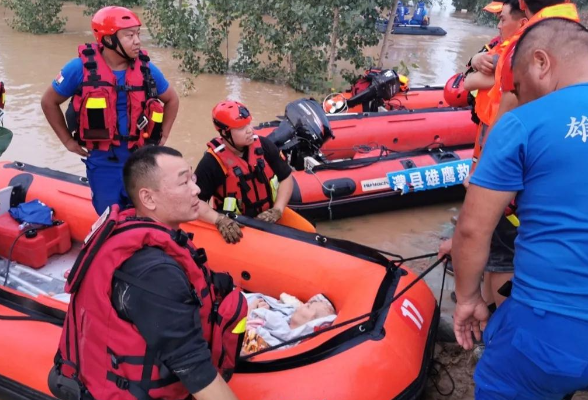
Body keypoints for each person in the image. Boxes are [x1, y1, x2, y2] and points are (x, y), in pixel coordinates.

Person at [452, 19, 588, 398]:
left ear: (541, 62)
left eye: (522, 90)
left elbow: (472, 229)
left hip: (549, 329)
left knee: (508, 377)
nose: (523, 101)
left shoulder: (524, 124)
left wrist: (467, 299)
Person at [49, 146, 245, 400]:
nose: (196, 190)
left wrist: (219, 219)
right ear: (149, 199)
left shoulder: (139, 228)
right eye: (184, 182)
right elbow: (195, 370)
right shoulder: (155, 274)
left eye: (193, 179)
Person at [41, 6, 179, 215]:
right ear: (107, 39)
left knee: (144, 213)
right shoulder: (78, 69)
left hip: (141, 158)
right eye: (129, 35)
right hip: (103, 159)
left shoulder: (146, 69)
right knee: (108, 214)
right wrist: (68, 141)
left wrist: (164, 134)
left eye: (138, 34)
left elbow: (172, 100)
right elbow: (49, 101)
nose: (137, 41)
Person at [439, 0, 527, 309]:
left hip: (499, 162)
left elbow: (473, 84)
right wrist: (476, 60)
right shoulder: (498, 48)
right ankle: (483, 311)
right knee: (492, 247)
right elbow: (463, 83)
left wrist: (478, 70)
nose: (498, 25)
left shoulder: (520, 53)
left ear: (522, 17)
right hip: (486, 153)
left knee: (501, 253)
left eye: (502, 19)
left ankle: (488, 319)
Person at [195, 100, 312, 244]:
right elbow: (195, 202)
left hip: (269, 214)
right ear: (225, 132)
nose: (250, 130)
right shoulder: (211, 163)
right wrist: (219, 219)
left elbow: (286, 177)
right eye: (241, 128)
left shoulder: (264, 146)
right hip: (236, 223)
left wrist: (277, 210)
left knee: (309, 232)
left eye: (249, 124)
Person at [486, 0, 579, 126]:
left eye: (502, 19)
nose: (499, 25)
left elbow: (505, 116)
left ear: (522, 4)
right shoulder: (578, 36)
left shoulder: (524, 46)